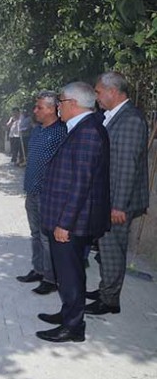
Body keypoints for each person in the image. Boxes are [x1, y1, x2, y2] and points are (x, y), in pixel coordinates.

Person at [37, 82, 110, 343]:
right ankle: (69, 312)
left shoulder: (88, 132)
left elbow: (81, 182)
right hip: (70, 218)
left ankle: (74, 327)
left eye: (61, 101)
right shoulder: (81, 128)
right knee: (71, 271)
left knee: (70, 272)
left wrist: (64, 224)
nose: (58, 106)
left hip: (72, 222)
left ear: (74, 104)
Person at [87, 72, 149, 315]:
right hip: (111, 197)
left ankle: (109, 300)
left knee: (112, 249)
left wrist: (118, 206)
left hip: (118, 201)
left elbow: (125, 166)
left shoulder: (129, 120)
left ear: (113, 91)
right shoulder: (113, 117)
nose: (97, 97)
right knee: (105, 248)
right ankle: (106, 288)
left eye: (99, 92)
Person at [16, 91, 67, 295]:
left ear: (53, 108)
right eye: (35, 107)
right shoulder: (37, 131)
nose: (35, 111)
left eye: (39, 107)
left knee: (47, 237)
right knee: (35, 234)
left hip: (48, 194)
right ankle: (38, 269)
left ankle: (51, 278)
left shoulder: (61, 132)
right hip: (32, 191)